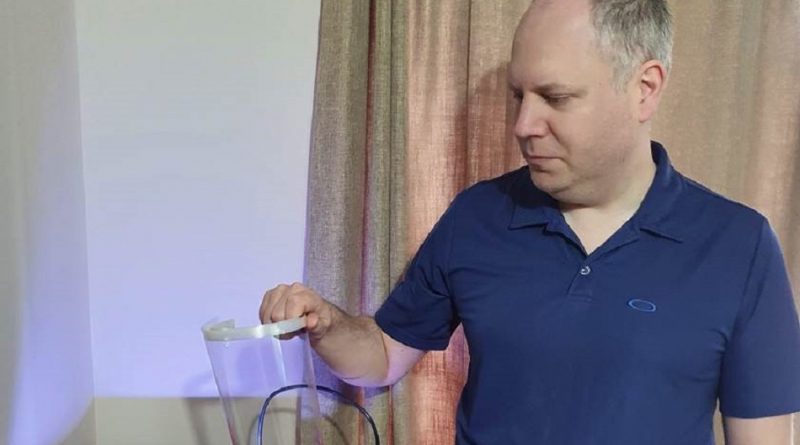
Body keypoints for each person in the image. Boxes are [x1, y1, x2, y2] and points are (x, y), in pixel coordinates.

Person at [260, 0, 800, 443]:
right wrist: (327, 324)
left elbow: (762, 437)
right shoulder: (476, 216)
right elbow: (381, 358)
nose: (523, 124)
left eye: (556, 98)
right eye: (518, 95)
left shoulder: (739, 246)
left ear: (645, 88)